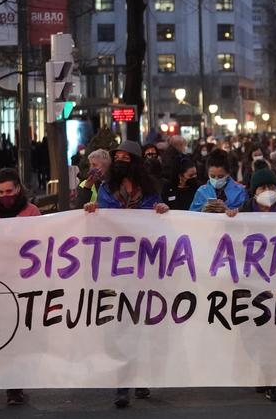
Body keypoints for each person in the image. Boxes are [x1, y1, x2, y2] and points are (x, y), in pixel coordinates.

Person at [82, 143, 168, 409]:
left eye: (124, 158)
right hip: (114, 268)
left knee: (140, 325)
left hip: (144, 267)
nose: (119, 161)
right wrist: (92, 212)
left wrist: (162, 212)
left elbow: (157, 224)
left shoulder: (150, 192)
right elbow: (97, 220)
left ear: (135, 162)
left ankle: (135, 377)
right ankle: (123, 382)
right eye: (116, 157)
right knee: (118, 326)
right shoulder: (106, 191)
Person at [225, 167, 276, 402]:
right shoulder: (241, 214)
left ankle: (273, 380)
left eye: (272, 187)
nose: (268, 192)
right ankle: (263, 373)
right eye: (263, 188)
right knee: (251, 333)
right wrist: (228, 220)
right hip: (249, 283)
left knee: (274, 332)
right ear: (254, 191)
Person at [0, 168, 40, 405]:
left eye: (10, 191)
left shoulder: (32, 212)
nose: (5, 195)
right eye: (1, 191)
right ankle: (12, 386)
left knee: (21, 337)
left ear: (18, 188)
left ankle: (16, 384)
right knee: (5, 335)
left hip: (26, 283)